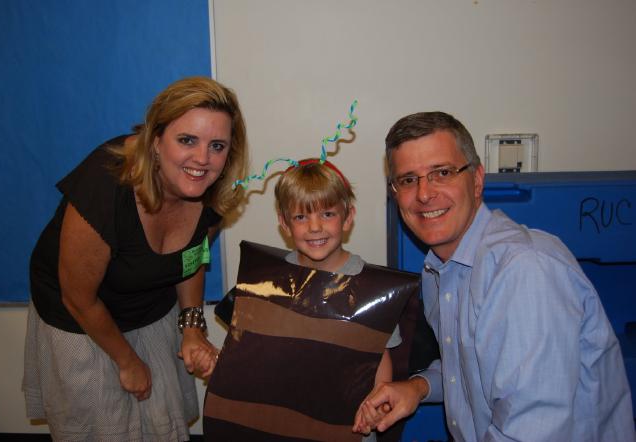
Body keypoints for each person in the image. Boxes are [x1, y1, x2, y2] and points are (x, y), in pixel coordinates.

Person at [354, 111, 635, 441]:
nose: (424, 193)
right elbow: (471, 368)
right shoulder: (438, 271)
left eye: (442, 173)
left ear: (476, 180)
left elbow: (532, 431)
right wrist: (418, 387)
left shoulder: (524, 271)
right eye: (408, 180)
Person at [22, 76, 248, 441]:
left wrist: (191, 328)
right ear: (155, 140)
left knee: (159, 423)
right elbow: (78, 297)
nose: (202, 159)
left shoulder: (214, 187)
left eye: (217, 145)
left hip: (148, 306)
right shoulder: (105, 184)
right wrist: (127, 361)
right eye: (187, 140)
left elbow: (192, 257)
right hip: (81, 318)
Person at [202, 159, 407, 441]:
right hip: (283, 423)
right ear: (284, 223)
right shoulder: (268, 280)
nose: (314, 227)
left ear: (348, 217)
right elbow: (252, 349)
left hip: (346, 425)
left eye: (327, 214)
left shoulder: (372, 288)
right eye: (301, 217)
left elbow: (378, 355)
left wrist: (377, 402)